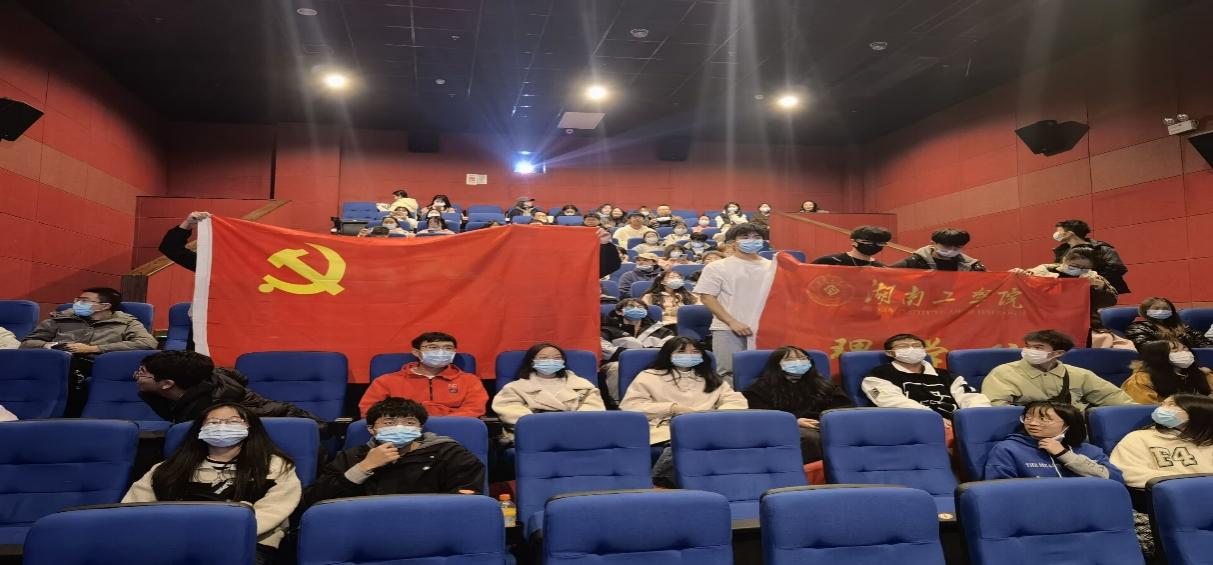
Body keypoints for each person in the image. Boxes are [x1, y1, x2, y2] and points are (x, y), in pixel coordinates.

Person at [123, 402, 300, 563]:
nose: (222, 426)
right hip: (171, 541)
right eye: (213, 422)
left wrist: (221, 533)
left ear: (250, 427)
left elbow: (274, 509)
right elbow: (134, 509)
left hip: (247, 541)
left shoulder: (274, 465)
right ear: (200, 429)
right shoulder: (167, 469)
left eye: (233, 421)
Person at [304, 397, 485, 507]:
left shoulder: (449, 453)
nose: (400, 427)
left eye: (409, 422)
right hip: (367, 526)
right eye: (389, 423)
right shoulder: (353, 456)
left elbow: (467, 498)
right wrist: (363, 467)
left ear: (420, 428)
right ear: (371, 429)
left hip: (431, 524)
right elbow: (317, 499)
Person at [620, 337, 747, 485]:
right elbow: (630, 406)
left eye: (695, 351)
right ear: (668, 354)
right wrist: (672, 408)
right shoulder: (649, 376)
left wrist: (713, 416)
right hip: (665, 428)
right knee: (686, 440)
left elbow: (736, 401)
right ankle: (660, 481)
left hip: (708, 427)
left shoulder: (711, 377)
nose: (689, 356)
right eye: (681, 352)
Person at [135, 350, 322, 425]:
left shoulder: (211, 410)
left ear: (167, 384)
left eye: (142, 373)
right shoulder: (199, 380)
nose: (136, 375)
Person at [741, 346, 852, 463]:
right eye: (790, 360)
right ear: (777, 364)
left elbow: (844, 408)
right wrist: (794, 421)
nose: (798, 362)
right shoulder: (759, 389)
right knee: (811, 438)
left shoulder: (824, 385)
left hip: (824, 425)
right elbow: (761, 417)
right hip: (788, 428)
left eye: (803, 358)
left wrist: (827, 421)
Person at [982, 329, 1136, 409]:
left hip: (1075, 432)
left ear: (1058, 353)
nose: (1029, 351)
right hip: (1027, 431)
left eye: (1038, 347)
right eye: (1028, 346)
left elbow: (1114, 398)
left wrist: (1140, 414)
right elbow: (996, 408)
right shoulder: (1003, 373)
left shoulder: (1079, 374)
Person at [694, 223, 774, 378]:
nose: (752, 240)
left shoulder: (772, 266)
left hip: (764, 330)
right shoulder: (716, 267)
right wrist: (732, 322)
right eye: (745, 237)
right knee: (729, 374)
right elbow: (707, 297)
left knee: (765, 374)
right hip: (728, 329)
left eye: (756, 237)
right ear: (732, 242)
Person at [862, 334, 990, 424]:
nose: (911, 349)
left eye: (916, 345)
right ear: (889, 353)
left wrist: (975, 418)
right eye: (903, 346)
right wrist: (933, 419)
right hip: (914, 423)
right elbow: (892, 402)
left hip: (957, 423)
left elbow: (971, 397)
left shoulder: (947, 375)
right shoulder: (878, 375)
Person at [357, 332, 488, 417]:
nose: (441, 352)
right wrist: (407, 423)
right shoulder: (386, 381)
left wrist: (444, 423)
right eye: (433, 347)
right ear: (416, 352)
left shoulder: (470, 380)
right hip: (403, 428)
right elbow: (369, 410)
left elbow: (475, 408)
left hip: (454, 428)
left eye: (448, 348)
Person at [983, 401, 1122, 481]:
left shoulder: (1088, 450)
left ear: (1068, 424)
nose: (1032, 423)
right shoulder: (1008, 449)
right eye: (1028, 417)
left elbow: (1115, 479)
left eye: (1043, 419)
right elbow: (1000, 489)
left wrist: (1065, 455)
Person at [491, 343, 605, 437]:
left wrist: (572, 425)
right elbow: (510, 411)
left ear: (563, 361)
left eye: (557, 358)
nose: (551, 361)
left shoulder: (583, 385)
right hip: (535, 433)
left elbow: (593, 410)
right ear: (532, 361)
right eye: (543, 358)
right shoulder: (514, 388)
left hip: (577, 432)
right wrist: (546, 425)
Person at [1111, 394, 1213, 489]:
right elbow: (1129, 472)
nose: (1161, 409)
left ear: (1197, 414)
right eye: (1162, 404)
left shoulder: (1208, 441)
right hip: (1170, 494)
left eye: (1171, 405)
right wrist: (1186, 482)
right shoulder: (1138, 438)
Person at [21, 287, 157, 353]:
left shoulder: (126, 322)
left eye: (84, 301)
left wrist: (94, 349)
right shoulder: (61, 318)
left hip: (98, 366)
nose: (77, 304)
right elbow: (26, 343)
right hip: (56, 360)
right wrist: (45, 345)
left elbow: (147, 343)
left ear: (105, 306)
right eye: (77, 300)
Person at [1015, 247, 1118, 332]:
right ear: (1064, 260)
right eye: (1075, 266)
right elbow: (1020, 293)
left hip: (1082, 326)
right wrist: (1017, 276)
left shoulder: (1093, 278)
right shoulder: (1040, 273)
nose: (1079, 269)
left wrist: (1100, 288)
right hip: (1043, 325)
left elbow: (1110, 301)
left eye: (1084, 268)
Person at [600, 299, 676, 400]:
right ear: (619, 312)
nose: (636, 309)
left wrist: (639, 355)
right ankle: (618, 402)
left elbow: (668, 348)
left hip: (653, 362)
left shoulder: (662, 330)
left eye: (640, 307)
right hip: (617, 362)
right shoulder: (607, 329)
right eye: (631, 307)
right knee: (617, 367)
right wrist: (633, 356)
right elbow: (604, 348)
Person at [1121, 340, 1213, 404]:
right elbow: (1146, 410)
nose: (1184, 352)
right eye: (1174, 350)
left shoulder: (1199, 373)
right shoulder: (1139, 381)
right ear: (1158, 356)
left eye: (1185, 348)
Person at [1052, 219, 1129, 294]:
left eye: (1059, 231)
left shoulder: (1101, 248)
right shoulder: (1062, 250)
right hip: (1071, 292)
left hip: (1096, 293)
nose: (1056, 234)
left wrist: (1093, 279)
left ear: (1069, 233)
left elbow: (1117, 268)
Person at [1125, 297, 1212, 350]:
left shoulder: (1182, 327)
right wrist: (1177, 349)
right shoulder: (1137, 328)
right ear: (1145, 311)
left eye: (1166, 309)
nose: (1161, 311)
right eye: (1156, 309)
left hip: (1192, 362)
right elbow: (1145, 348)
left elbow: (1203, 342)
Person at [891, 228, 986, 271]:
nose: (952, 250)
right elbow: (887, 275)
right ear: (933, 243)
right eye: (947, 246)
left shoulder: (972, 266)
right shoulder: (914, 262)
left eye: (957, 247)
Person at [811, 225, 891, 267]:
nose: (874, 246)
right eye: (867, 242)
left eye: (880, 243)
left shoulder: (881, 268)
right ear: (854, 242)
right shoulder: (829, 261)